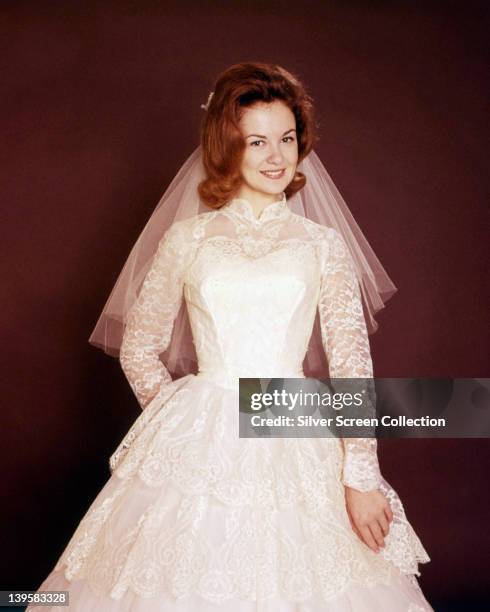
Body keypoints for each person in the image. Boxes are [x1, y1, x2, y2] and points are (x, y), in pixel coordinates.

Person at [27, 62, 433, 611]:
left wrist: (361, 476)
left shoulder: (322, 245)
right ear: (228, 147)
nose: (276, 157)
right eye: (257, 141)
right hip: (201, 431)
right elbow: (140, 343)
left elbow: (351, 363)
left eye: (286, 139)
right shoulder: (187, 239)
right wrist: (176, 417)